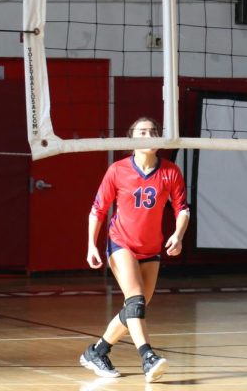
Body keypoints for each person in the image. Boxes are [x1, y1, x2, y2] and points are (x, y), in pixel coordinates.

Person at [80, 117, 189, 382]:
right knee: (136, 301)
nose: (149, 135)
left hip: (151, 248)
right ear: (132, 140)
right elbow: (98, 210)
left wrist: (178, 234)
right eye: (143, 131)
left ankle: (97, 351)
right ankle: (148, 357)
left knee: (135, 308)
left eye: (153, 131)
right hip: (121, 242)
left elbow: (182, 209)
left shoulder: (171, 171)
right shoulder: (117, 170)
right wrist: (91, 245)